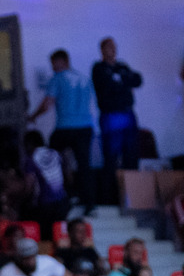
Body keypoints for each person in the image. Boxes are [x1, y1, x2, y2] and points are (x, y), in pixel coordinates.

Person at [27, 50, 95, 214]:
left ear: (63, 61)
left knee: (50, 159)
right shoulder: (85, 79)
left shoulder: (58, 79)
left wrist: (33, 116)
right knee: (84, 164)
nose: (53, 67)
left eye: (54, 63)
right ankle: (88, 202)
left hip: (66, 127)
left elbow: (47, 104)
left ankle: (61, 194)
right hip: (86, 127)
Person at [91, 37, 142, 181]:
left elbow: (137, 80)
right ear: (102, 50)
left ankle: (133, 191)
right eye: (109, 47)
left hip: (127, 113)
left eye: (114, 46)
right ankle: (110, 194)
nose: (113, 50)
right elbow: (109, 86)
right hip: (110, 116)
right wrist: (124, 83)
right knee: (111, 155)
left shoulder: (122, 67)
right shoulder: (99, 68)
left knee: (131, 153)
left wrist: (121, 79)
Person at [21, 130, 69, 239]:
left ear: (28, 144)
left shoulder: (31, 158)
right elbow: (67, 175)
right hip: (63, 202)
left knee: (46, 236)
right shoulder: (56, 153)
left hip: (45, 204)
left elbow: (29, 185)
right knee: (59, 234)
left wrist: (23, 200)